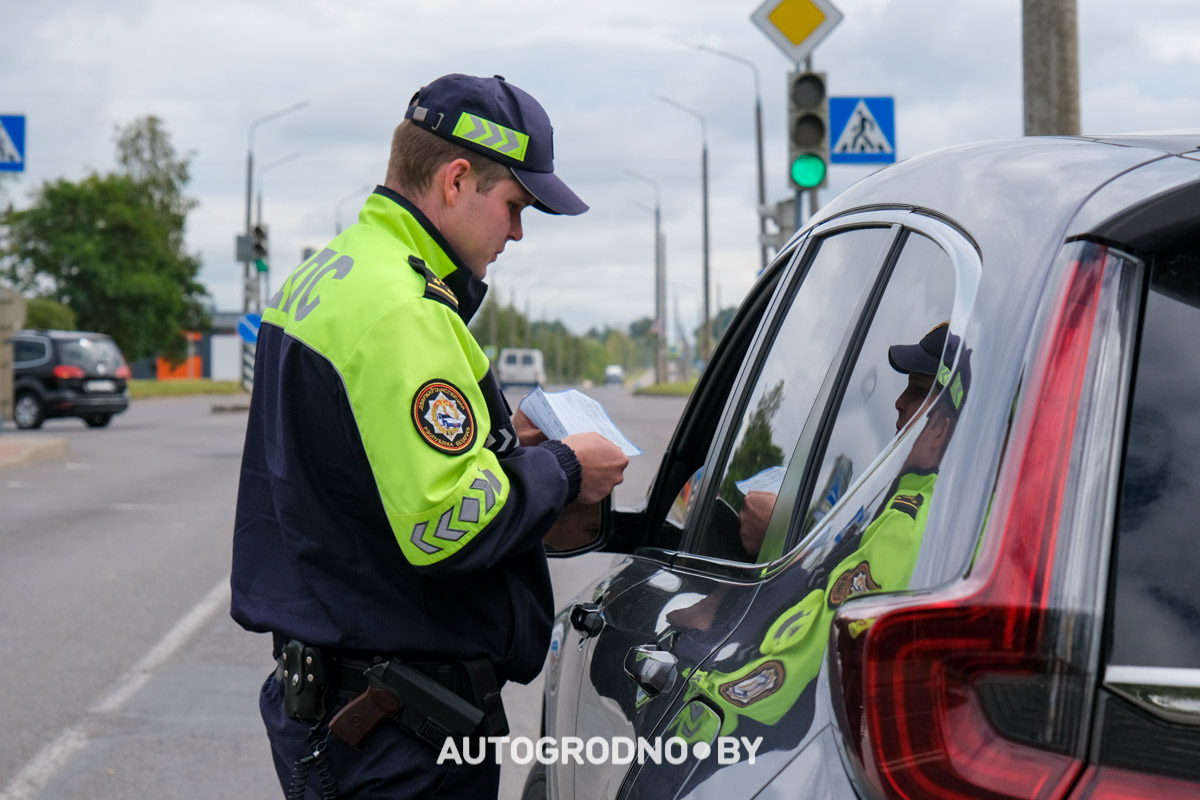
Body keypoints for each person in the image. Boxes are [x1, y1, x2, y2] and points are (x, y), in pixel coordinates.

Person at [230, 73, 629, 799]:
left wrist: (506, 445)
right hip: (396, 735)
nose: (516, 231)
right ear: (454, 180)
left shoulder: (332, 275)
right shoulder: (404, 309)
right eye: (514, 205)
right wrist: (567, 469)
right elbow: (447, 523)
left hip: (350, 705)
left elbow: (367, 472)